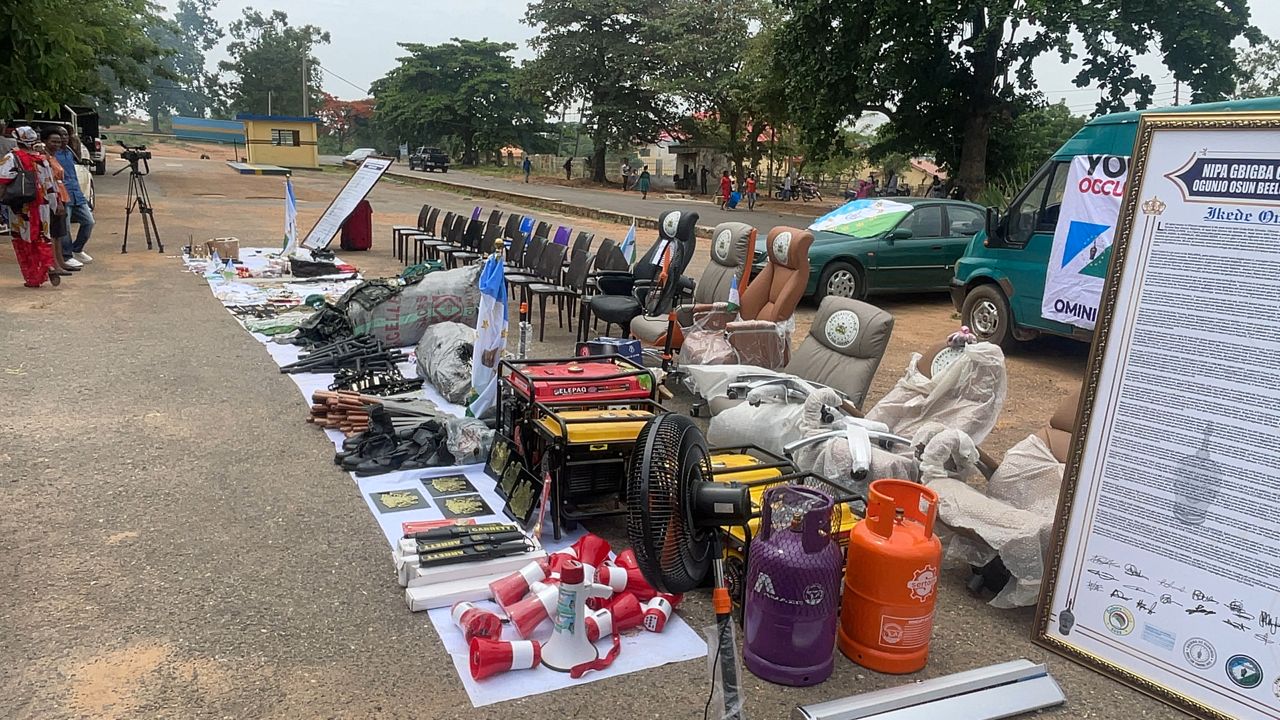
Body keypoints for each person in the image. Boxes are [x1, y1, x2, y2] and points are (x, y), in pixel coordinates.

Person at [0, 126, 63, 287]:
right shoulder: (42, 159)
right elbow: (50, 185)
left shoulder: (12, 158)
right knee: (43, 236)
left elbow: (3, 179)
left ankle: (33, 277)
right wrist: (56, 204)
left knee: (23, 240)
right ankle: (48, 265)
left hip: (20, 207)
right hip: (42, 206)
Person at [47, 128, 94, 265]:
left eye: (66, 135)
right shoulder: (52, 155)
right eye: (61, 136)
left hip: (76, 193)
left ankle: (77, 248)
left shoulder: (68, 151)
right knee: (65, 227)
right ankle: (66, 255)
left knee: (88, 221)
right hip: (63, 194)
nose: (64, 138)